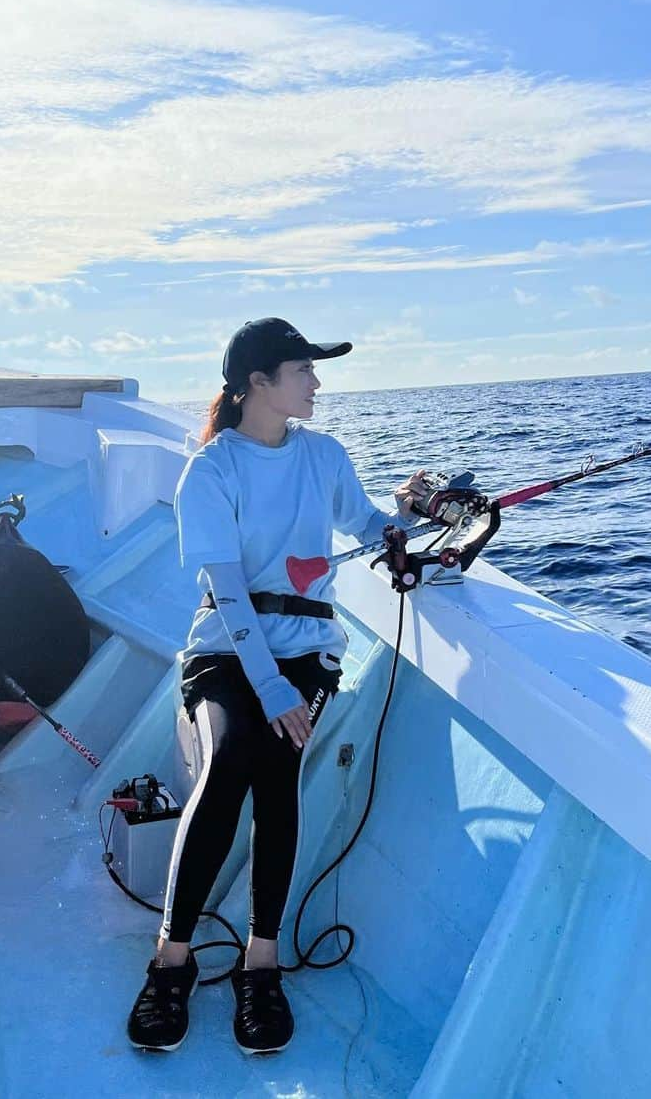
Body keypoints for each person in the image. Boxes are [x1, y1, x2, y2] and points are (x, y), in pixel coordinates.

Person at [127, 317, 426, 1057]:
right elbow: (226, 594)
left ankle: (261, 964)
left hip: (306, 655)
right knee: (233, 761)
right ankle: (172, 960)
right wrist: (270, 687)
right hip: (227, 651)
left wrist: (409, 513)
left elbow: (369, 526)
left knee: (277, 771)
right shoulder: (212, 469)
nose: (317, 383)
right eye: (304, 370)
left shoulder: (324, 455)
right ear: (258, 383)